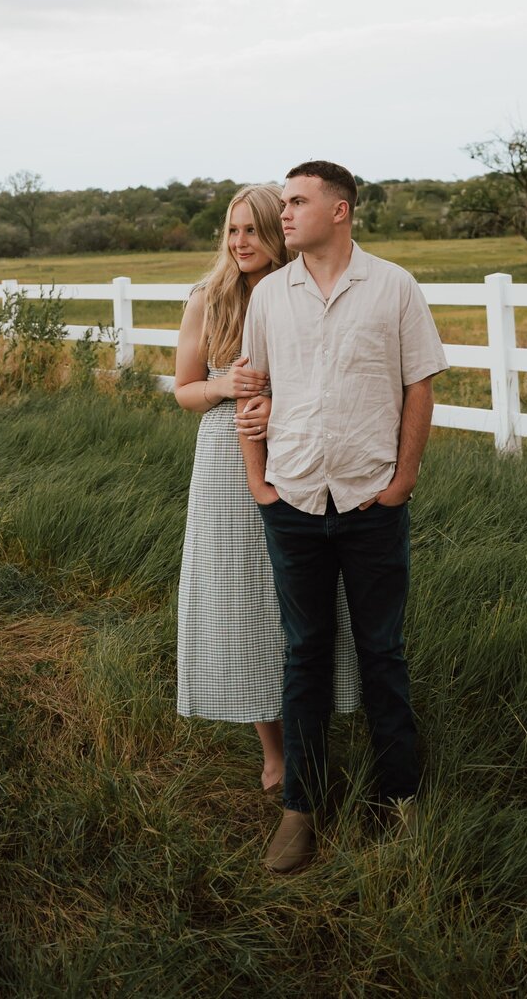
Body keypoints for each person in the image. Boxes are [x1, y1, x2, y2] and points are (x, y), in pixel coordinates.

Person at [239, 159, 449, 873]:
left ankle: (398, 801)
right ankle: (302, 807)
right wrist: (260, 486)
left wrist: (402, 483)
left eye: (297, 201)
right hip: (293, 500)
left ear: (340, 210)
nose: (284, 212)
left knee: (382, 652)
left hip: (369, 500)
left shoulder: (393, 287)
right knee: (304, 655)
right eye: (284, 201)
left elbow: (419, 387)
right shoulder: (270, 296)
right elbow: (254, 391)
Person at [174, 183, 359, 794]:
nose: (240, 242)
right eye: (232, 231)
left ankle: (318, 727)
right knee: (242, 597)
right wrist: (227, 388)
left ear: (278, 234)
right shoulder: (209, 299)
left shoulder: (301, 294)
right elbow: (184, 390)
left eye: (252, 230)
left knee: (301, 596)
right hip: (227, 462)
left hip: (302, 447)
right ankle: (274, 751)